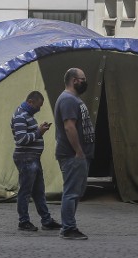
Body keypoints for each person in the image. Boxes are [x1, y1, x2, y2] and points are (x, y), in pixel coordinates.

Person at [53, 68, 95, 240]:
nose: (85, 82)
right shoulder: (68, 100)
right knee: (71, 192)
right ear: (73, 80)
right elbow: (69, 126)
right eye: (82, 79)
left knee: (75, 192)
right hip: (72, 155)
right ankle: (68, 228)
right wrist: (78, 151)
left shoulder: (73, 99)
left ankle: (68, 226)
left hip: (78, 155)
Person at [11, 91, 62, 232]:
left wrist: (39, 129)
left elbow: (28, 134)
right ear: (30, 102)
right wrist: (39, 132)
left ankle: (46, 220)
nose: (39, 109)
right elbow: (21, 140)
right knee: (25, 191)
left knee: (39, 191)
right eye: (38, 106)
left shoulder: (28, 116)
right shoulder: (20, 115)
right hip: (26, 158)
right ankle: (23, 221)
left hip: (32, 158)